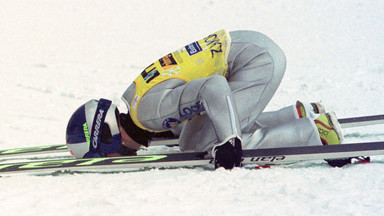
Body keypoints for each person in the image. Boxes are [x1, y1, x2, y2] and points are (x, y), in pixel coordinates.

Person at [65, 29, 343, 169]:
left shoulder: (149, 114)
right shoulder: (138, 103)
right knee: (203, 128)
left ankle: (314, 132)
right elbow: (190, 106)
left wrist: (230, 141)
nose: (113, 158)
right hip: (253, 51)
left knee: (201, 143)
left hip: (258, 61)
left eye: (104, 154)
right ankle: (296, 115)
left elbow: (213, 87)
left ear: (107, 136)